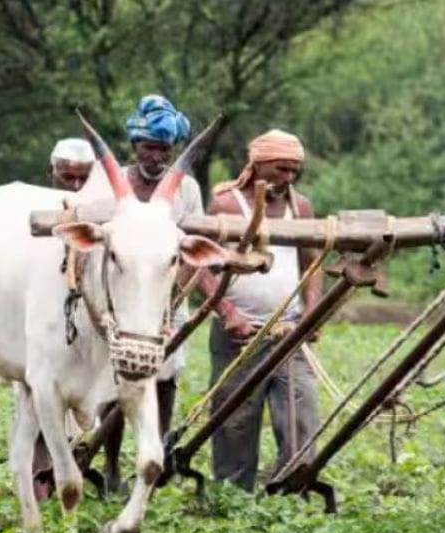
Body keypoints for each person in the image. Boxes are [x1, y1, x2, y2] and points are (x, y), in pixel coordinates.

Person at [196, 129, 321, 491]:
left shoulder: (303, 208)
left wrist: (311, 312)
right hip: (239, 333)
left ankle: (290, 491)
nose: (289, 178)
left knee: (301, 416)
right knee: (234, 419)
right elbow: (195, 268)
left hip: (289, 331)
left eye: (295, 170)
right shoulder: (226, 206)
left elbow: (312, 265)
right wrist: (227, 312)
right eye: (282, 169)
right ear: (258, 164)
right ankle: (233, 495)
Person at [100, 94, 204, 493]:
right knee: (114, 382)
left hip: (165, 302)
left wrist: (183, 295)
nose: (156, 156)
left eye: (164, 149)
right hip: (120, 303)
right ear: (135, 146)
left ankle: (153, 460)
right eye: (149, 147)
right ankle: (110, 468)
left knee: (164, 380)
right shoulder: (115, 186)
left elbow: (193, 245)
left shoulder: (186, 190)